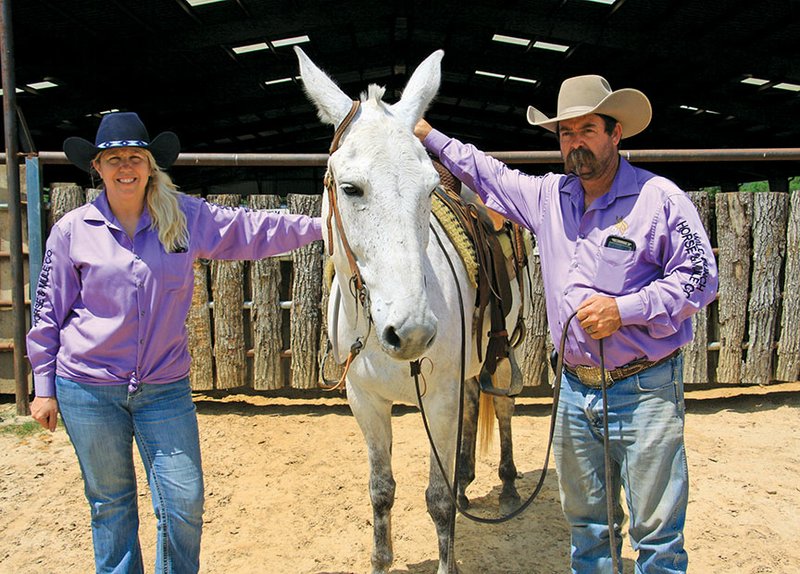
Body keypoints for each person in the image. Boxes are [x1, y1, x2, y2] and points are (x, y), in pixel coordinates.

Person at [415, 75, 717, 573]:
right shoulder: (548, 197)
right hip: (575, 391)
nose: (575, 142)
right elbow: (486, 172)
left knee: (657, 537)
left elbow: (702, 278)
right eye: (565, 133)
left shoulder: (659, 199)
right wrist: (427, 135)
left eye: (587, 129)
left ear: (615, 133)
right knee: (588, 531)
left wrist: (627, 309)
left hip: (646, 390)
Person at [27, 111, 322, 573]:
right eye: (114, 159)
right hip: (87, 388)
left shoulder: (184, 218)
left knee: (184, 501)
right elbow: (48, 310)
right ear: (97, 168)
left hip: (163, 388)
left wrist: (322, 227)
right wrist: (43, 386)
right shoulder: (71, 231)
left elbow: (250, 229)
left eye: (135, 158)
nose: (125, 167)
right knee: (110, 504)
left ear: (150, 166)